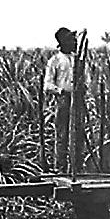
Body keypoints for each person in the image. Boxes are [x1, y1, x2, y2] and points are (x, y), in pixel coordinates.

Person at [43, 27, 77, 172]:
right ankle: (61, 167)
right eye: (70, 39)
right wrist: (60, 91)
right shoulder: (55, 60)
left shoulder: (78, 59)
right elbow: (47, 85)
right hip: (64, 98)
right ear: (63, 42)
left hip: (78, 98)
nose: (74, 42)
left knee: (78, 133)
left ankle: (76, 166)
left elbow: (86, 79)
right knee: (62, 133)